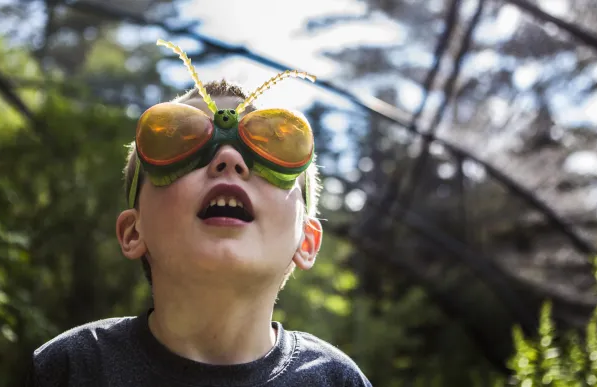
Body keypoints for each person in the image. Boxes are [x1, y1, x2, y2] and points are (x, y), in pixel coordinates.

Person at [27, 40, 373, 387]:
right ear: (134, 231)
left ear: (307, 241)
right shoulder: (70, 368)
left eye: (270, 150)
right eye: (183, 143)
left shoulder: (336, 380)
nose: (229, 159)